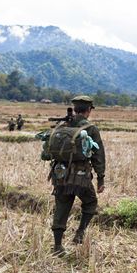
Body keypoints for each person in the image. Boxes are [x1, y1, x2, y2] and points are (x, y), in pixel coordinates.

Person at [49, 95, 106, 256]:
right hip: (80, 175)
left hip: (59, 173)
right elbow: (98, 155)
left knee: (62, 207)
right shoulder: (90, 129)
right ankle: (80, 233)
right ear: (88, 110)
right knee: (91, 201)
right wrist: (100, 178)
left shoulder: (61, 125)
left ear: (74, 109)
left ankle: (57, 246)